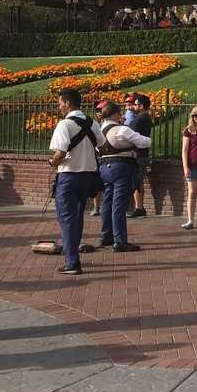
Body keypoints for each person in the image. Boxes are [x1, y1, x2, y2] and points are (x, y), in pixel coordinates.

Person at [47, 89, 104, 275]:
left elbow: (60, 152)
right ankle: (72, 250)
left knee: (66, 217)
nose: (59, 106)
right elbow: (101, 144)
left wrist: (52, 162)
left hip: (69, 176)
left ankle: (72, 262)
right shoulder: (92, 123)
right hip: (88, 175)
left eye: (60, 103)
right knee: (77, 215)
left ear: (67, 103)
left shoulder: (64, 125)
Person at [95, 101, 150, 252]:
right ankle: (120, 240)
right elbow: (145, 142)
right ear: (116, 114)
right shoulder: (121, 129)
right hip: (121, 167)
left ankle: (106, 236)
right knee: (119, 205)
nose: (122, 116)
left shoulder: (99, 130)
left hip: (104, 167)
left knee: (107, 201)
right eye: (120, 113)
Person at [126, 93, 152, 218]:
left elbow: (131, 135)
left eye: (135, 104)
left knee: (136, 181)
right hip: (143, 153)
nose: (133, 107)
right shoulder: (146, 117)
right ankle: (138, 206)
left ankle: (139, 207)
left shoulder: (139, 119)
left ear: (141, 106)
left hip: (138, 154)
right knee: (138, 181)